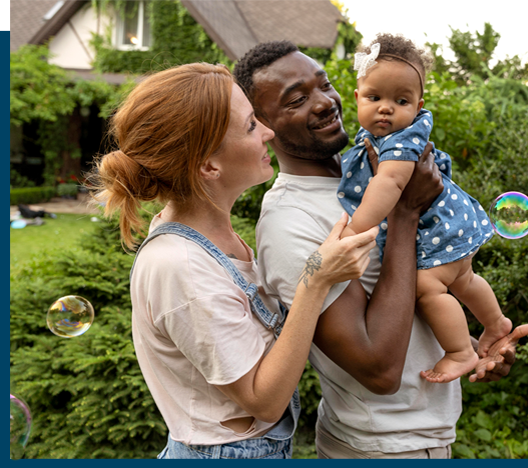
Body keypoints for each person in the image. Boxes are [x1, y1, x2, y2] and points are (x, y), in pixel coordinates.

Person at [233, 41, 528, 459]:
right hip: (378, 449)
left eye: (324, 85)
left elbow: (407, 298)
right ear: (264, 124)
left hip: (426, 440)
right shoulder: (291, 224)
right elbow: (377, 368)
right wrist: (405, 213)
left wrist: (472, 342)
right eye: (298, 100)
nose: (324, 103)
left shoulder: (370, 168)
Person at [89, 62, 380, 459]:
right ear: (208, 165)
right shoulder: (181, 265)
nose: (268, 132)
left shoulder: (215, 240)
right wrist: (316, 279)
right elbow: (264, 401)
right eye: (250, 126)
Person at [337, 33, 513, 384]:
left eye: (400, 100)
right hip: (447, 225)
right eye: (374, 98)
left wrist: (354, 231)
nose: (385, 108)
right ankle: (496, 323)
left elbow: (389, 185)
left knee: (427, 288)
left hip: (436, 231)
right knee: (464, 277)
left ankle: (460, 351)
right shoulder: (378, 136)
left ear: (418, 106)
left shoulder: (404, 141)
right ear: (357, 98)